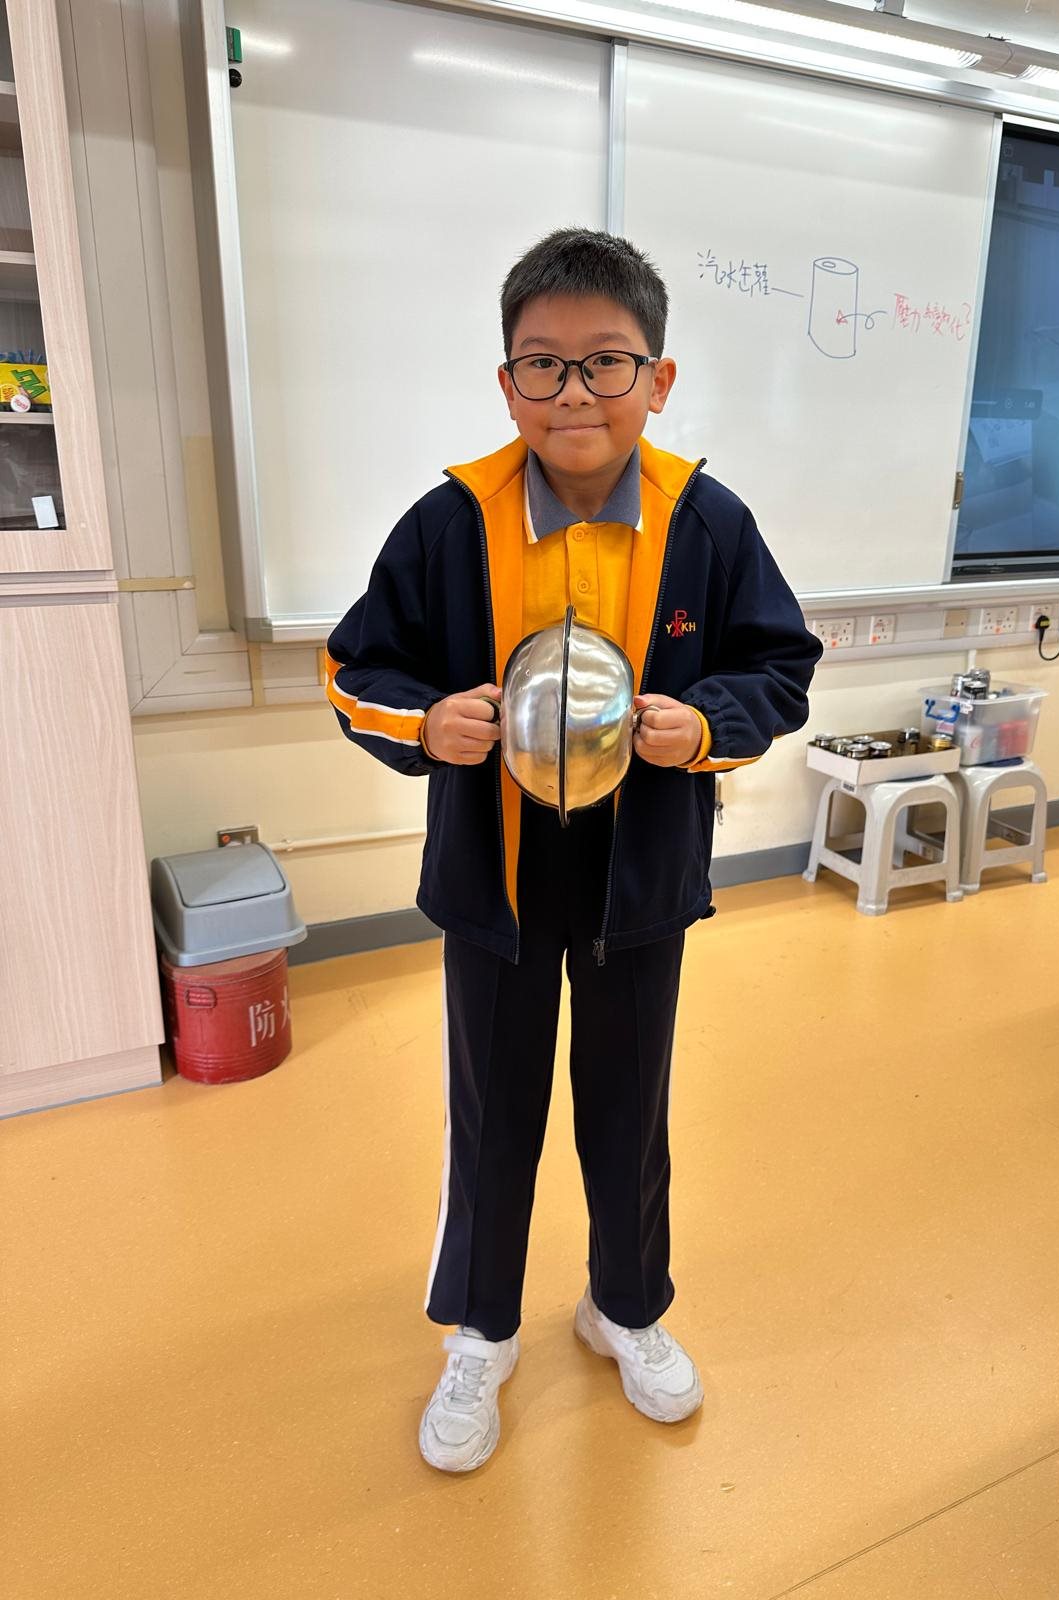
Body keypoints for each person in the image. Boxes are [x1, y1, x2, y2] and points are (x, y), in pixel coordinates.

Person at [325, 228, 822, 1473]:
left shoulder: (707, 522)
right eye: (542, 365)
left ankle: (626, 1307)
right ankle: (481, 1333)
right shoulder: (452, 522)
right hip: (495, 877)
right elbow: (353, 668)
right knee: (492, 1114)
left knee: (629, 1104)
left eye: (606, 362)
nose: (575, 393)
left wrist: (706, 726)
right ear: (507, 384)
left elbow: (780, 665)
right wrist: (424, 722)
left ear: (658, 378)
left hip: (639, 874)